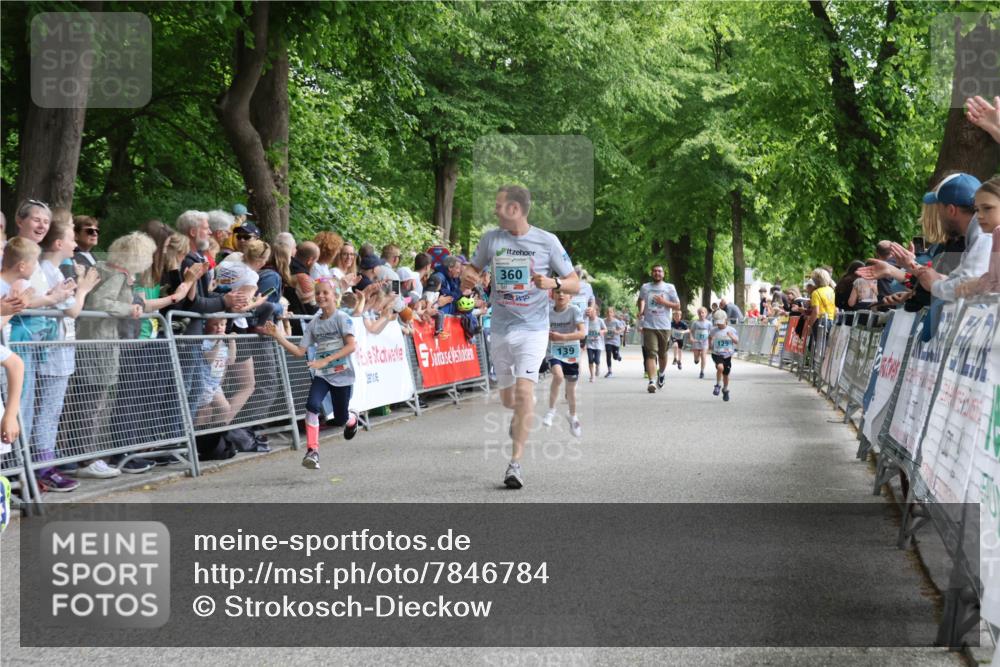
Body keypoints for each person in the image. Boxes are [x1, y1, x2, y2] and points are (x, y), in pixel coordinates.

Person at [460, 185, 578, 490]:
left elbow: (574, 283)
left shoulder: (547, 241)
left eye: (498, 205)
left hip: (533, 329)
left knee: (524, 393)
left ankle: (515, 464)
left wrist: (553, 282)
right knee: (508, 400)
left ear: (515, 208)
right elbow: (469, 274)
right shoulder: (490, 239)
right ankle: (523, 408)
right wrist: (468, 278)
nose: (494, 210)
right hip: (500, 329)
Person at [263, 279, 360, 469]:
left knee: (340, 419)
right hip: (322, 375)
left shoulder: (342, 318)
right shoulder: (314, 323)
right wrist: (278, 336)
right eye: (317, 293)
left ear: (335, 296)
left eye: (325, 292)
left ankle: (352, 418)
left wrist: (326, 360)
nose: (321, 296)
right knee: (312, 405)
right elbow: (299, 352)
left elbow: (351, 346)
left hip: (342, 375)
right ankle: (312, 451)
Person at [542, 288, 585, 436]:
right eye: (557, 292)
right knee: (558, 376)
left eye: (564, 292)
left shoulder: (574, 310)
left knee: (571, 390)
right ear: (552, 295)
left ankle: (573, 417)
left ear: (570, 296)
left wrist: (563, 337)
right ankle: (551, 411)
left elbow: (582, 333)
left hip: (571, 352)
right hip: (553, 351)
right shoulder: (547, 311)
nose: (561, 295)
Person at [637, 264, 680, 393]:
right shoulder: (645, 287)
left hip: (664, 326)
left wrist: (663, 302)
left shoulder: (669, 287)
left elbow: (677, 305)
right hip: (649, 325)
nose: (657, 273)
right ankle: (651, 381)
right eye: (655, 271)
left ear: (663, 274)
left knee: (662, 354)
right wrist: (641, 311)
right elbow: (640, 300)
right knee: (651, 353)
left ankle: (661, 374)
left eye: (659, 271)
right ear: (652, 273)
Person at [708, 309, 739, 402]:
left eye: (720, 322)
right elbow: (710, 342)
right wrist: (711, 341)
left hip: (727, 355)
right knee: (720, 367)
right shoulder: (713, 330)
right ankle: (718, 385)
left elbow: (736, 341)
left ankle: (725, 390)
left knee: (726, 374)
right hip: (717, 354)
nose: (719, 324)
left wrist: (731, 336)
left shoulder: (731, 330)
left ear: (726, 320)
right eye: (717, 323)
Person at [584, 306, 606, 383]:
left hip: (598, 344)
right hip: (589, 343)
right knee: (590, 359)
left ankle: (597, 366)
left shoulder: (600, 320)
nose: (591, 313)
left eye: (593, 312)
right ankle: (592, 376)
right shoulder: (586, 321)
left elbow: (605, 329)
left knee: (596, 360)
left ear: (596, 312)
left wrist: (601, 332)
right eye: (590, 312)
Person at [689, 307, 712, 379]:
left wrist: (711, 342)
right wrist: (691, 338)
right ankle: (696, 359)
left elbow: (711, 333)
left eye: (703, 313)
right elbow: (691, 331)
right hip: (696, 341)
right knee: (696, 357)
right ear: (698, 314)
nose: (701, 314)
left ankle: (702, 371)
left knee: (703, 356)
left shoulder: (709, 323)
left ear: (706, 314)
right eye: (699, 313)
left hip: (705, 342)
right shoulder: (695, 323)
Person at [603, 306, 624, 378]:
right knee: (608, 354)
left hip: (615, 341)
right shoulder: (604, 321)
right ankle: (609, 371)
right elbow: (600, 327)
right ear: (606, 313)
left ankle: (617, 356)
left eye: (611, 312)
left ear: (613, 313)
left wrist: (617, 332)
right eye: (608, 312)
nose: (609, 313)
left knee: (615, 357)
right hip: (607, 341)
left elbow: (622, 328)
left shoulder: (616, 321)